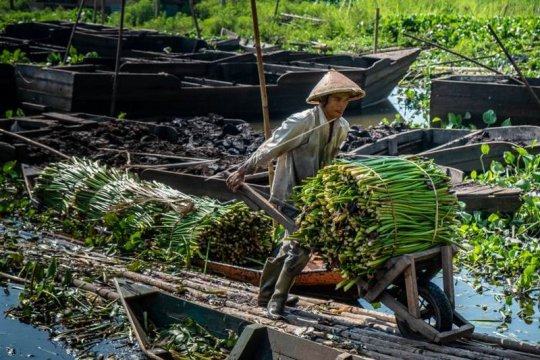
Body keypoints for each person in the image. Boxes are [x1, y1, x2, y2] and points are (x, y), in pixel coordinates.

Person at [226, 69, 366, 319]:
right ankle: (276, 302)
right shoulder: (302, 121)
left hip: (314, 198)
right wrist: (243, 169)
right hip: (289, 194)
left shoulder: (342, 127)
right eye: (336, 100)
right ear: (323, 100)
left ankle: (266, 294)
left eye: (345, 100)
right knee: (301, 247)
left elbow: (331, 161)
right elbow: (272, 146)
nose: (341, 105)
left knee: (290, 246)